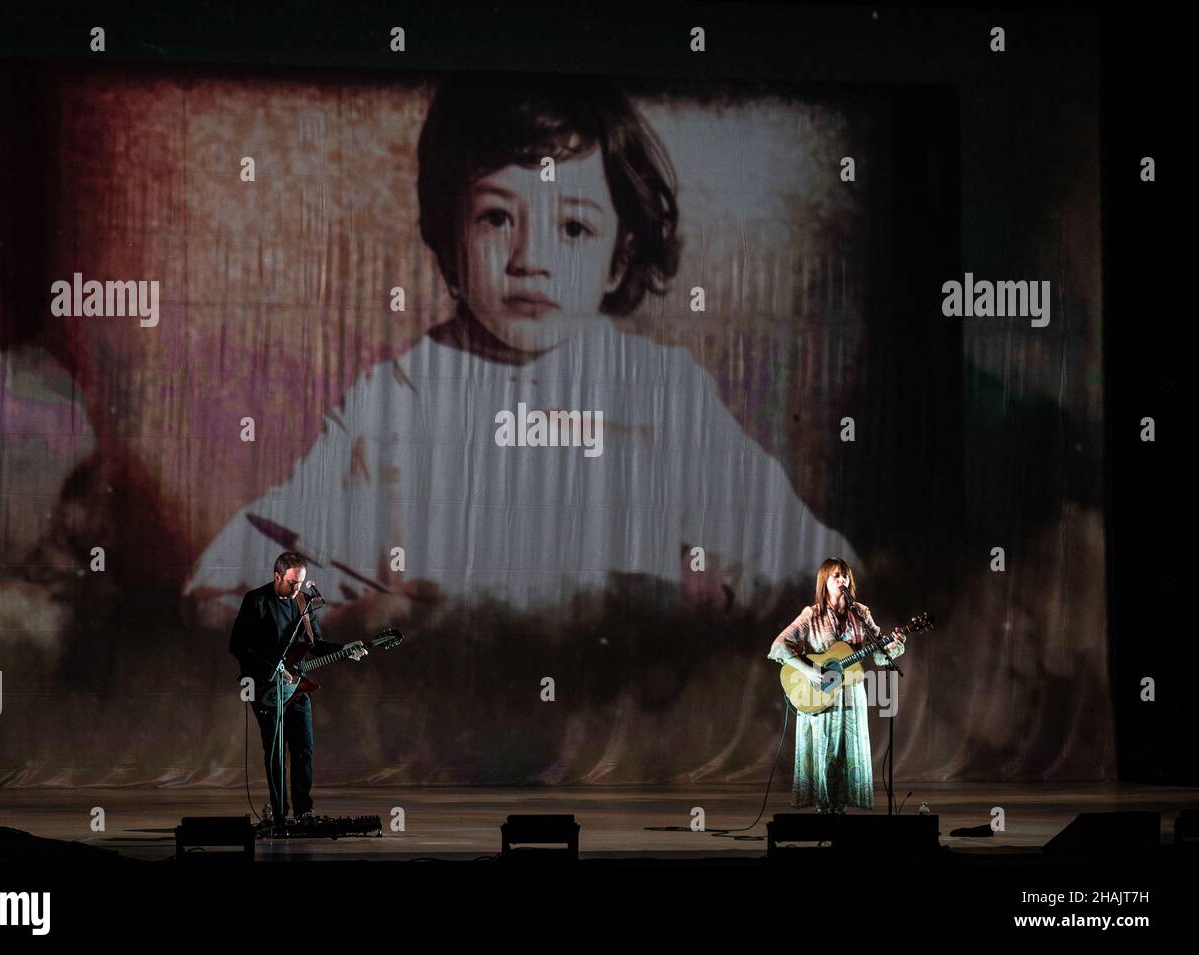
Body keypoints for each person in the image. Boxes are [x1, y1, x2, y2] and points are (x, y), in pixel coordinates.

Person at [188, 74, 858, 619]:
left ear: (620, 258)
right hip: (444, 736)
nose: (530, 257)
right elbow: (222, 588)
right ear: (451, 236)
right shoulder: (398, 395)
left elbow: (820, 567)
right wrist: (346, 616)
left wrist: (728, 600)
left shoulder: (660, 392)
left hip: (619, 737)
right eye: (496, 218)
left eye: (573, 227)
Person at [230, 551, 367, 823]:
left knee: (304, 747)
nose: (297, 589)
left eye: (301, 583)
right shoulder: (256, 601)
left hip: (297, 687)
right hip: (266, 689)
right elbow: (238, 646)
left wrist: (344, 649)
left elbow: (314, 644)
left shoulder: (303, 602)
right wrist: (274, 668)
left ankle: (305, 810)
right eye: (292, 583)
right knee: (276, 752)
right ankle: (280, 812)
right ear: (277, 576)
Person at [768, 558, 905, 813]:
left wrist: (895, 643)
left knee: (847, 752)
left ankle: (839, 814)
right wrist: (810, 671)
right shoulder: (812, 614)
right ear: (825, 582)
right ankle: (824, 813)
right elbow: (779, 647)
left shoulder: (861, 614)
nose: (843, 580)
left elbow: (877, 654)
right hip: (821, 692)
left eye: (846, 576)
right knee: (826, 751)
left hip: (852, 692)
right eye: (836, 576)